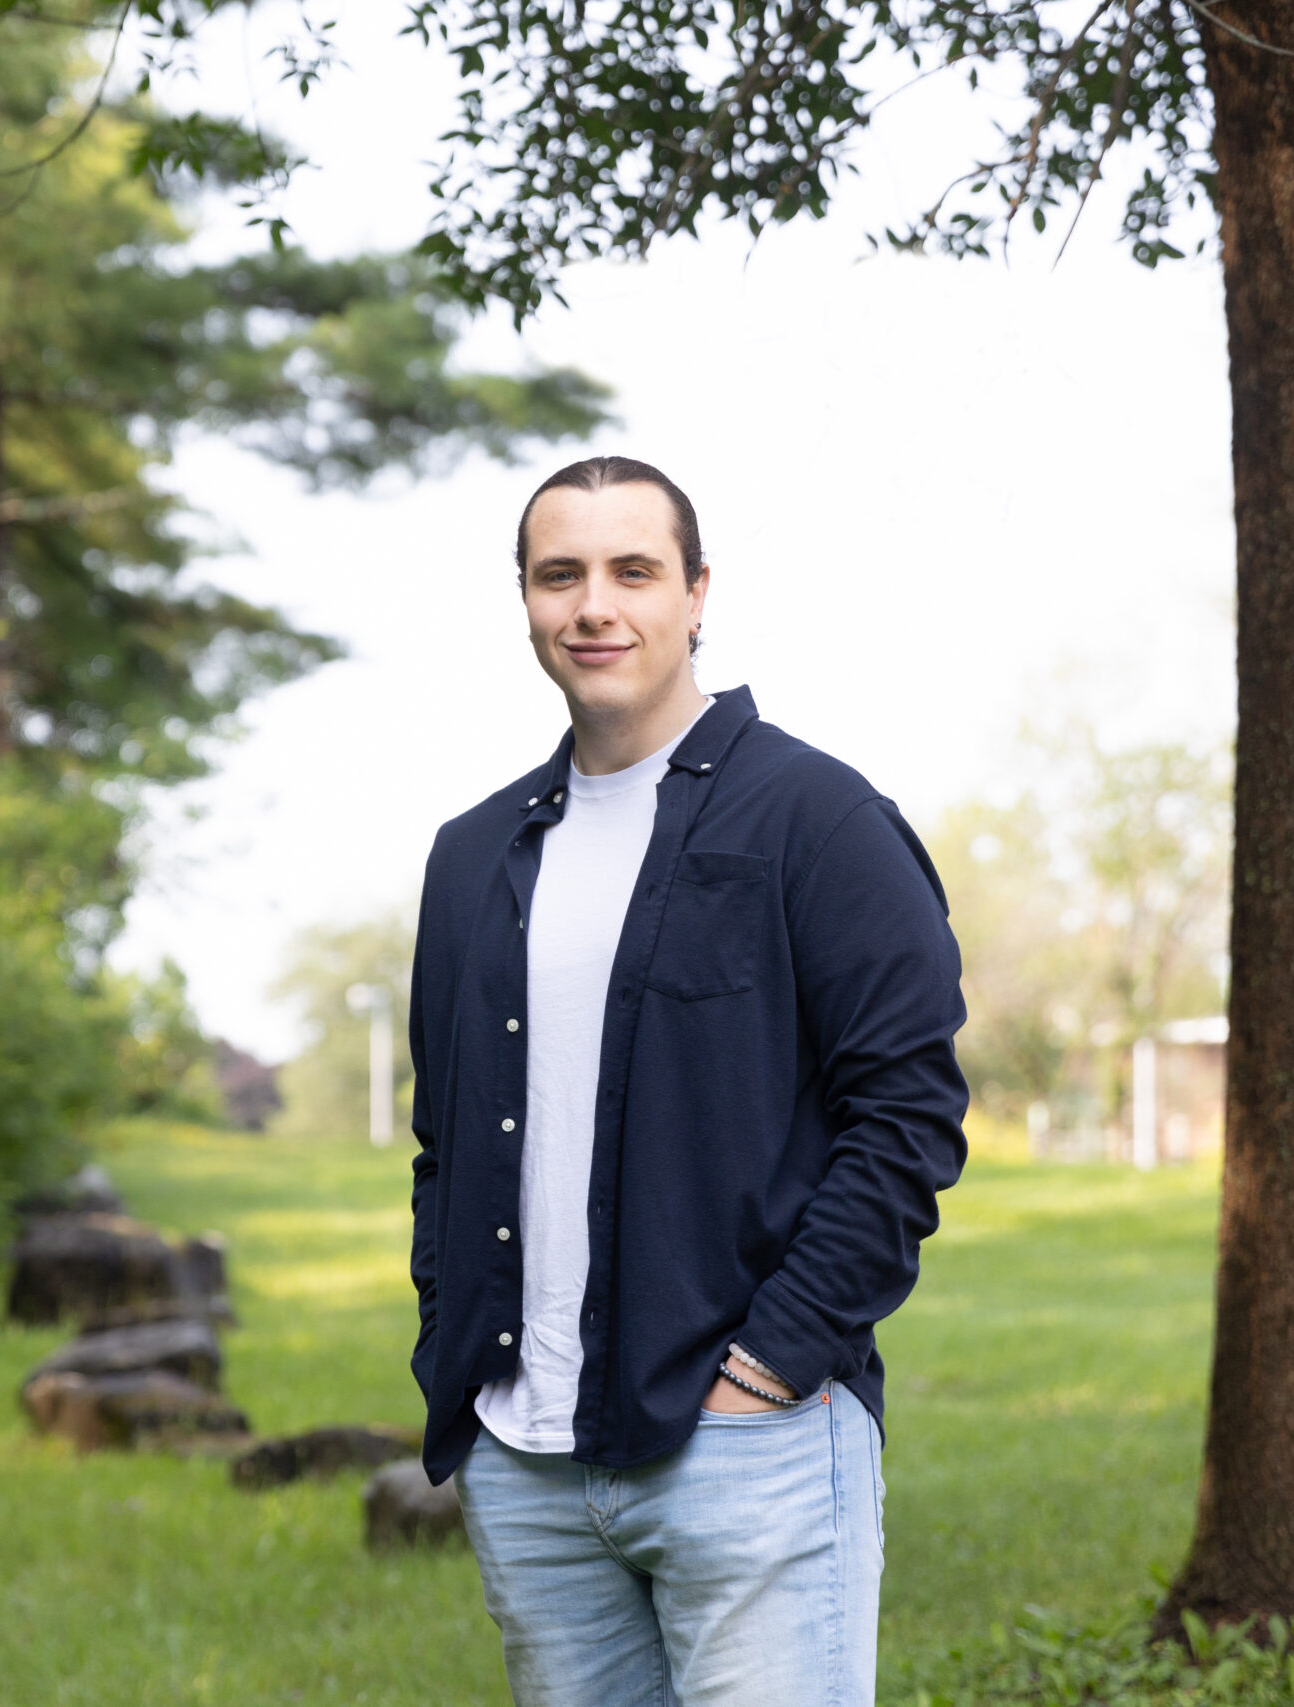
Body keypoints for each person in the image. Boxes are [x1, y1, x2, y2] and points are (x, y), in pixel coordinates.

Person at [404, 456, 969, 1706]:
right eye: (561, 575)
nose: (594, 606)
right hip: (524, 1456)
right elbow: (443, 1143)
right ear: (526, 602)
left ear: (697, 593)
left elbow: (908, 1118)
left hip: (748, 1446)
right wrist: (458, 1348)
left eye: (632, 571)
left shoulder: (816, 819)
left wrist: (772, 1365)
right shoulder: (471, 856)